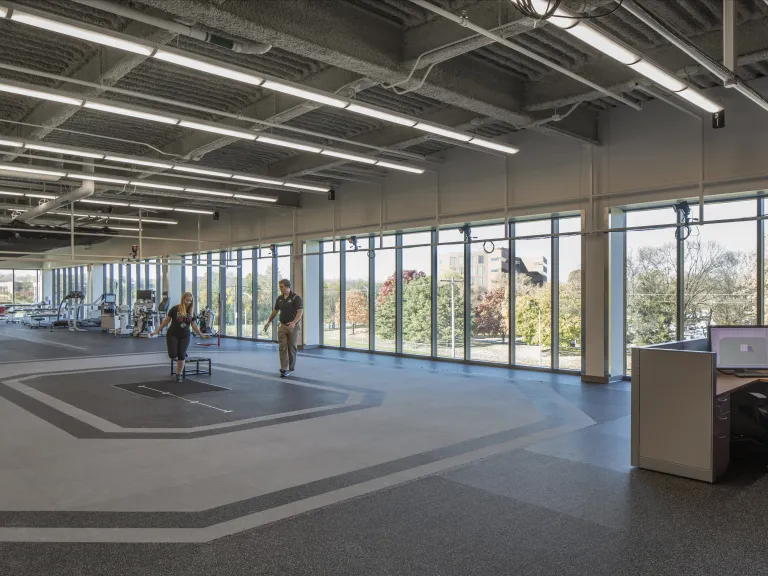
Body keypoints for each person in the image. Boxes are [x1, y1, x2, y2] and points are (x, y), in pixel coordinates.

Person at [152, 291, 208, 383]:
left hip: (185, 335)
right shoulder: (175, 309)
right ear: (183, 299)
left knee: (181, 355)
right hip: (172, 334)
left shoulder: (191, 312)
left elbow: (193, 325)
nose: (188, 303)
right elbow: (166, 321)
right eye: (187, 300)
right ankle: (180, 352)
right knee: (173, 355)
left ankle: (179, 374)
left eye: (190, 301)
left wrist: (201, 334)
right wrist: (157, 330)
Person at [264, 279, 303, 377]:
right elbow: (275, 311)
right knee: (282, 347)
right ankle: (284, 368)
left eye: (281, 287)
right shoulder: (279, 298)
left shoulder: (296, 298)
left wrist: (294, 322)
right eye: (279, 287)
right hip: (282, 325)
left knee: (291, 347)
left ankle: (291, 366)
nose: (280, 288)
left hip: (293, 326)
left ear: (287, 286)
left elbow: (300, 312)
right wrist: (268, 322)